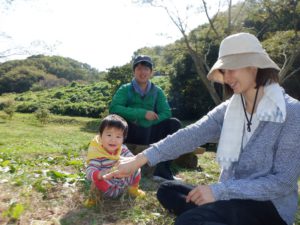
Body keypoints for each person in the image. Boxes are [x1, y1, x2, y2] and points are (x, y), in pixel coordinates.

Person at [104, 33, 300, 225]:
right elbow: (191, 134)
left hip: (268, 206)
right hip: (230, 198)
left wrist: (218, 191)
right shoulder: (230, 108)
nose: (227, 77)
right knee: (168, 190)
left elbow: (283, 182)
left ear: (254, 66)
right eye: (224, 71)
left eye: (232, 69)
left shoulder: (291, 112)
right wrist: (139, 160)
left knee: (190, 220)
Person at [109, 55, 182, 181]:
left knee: (174, 123)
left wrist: (151, 120)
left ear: (151, 72)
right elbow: (114, 108)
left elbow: (166, 112)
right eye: (139, 68)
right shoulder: (125, 89)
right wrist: (142, 114)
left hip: (150, 131)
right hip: (129, 131)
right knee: (113, 120)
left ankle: (162, 171)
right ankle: (111, 164)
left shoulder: (157, 91)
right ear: (134, 71)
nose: (143, 72)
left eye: (146, 69)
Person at [86, 114, 145, 198]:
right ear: (100, 136)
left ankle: (133, 189)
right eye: (109, 135)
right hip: (108, 188)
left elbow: (132, 159)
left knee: (136, 167)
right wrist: (100, 174)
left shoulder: (123, 149)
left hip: (124, 183)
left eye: (118, 136)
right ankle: (93, 198)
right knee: (96, 181)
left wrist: (129, 162)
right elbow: (89, 171)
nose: (113, 140)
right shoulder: (98, 154)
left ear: (123, 138)